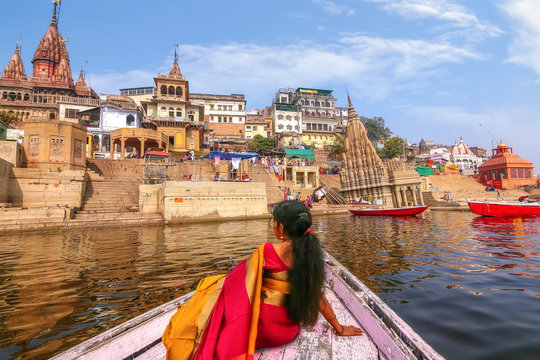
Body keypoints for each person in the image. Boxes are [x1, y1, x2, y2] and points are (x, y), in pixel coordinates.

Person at [162, 201, 362, 359]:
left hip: (259, 331)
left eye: (274, 223)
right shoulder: (312, 255)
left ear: (280, 228)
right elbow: (318, 296)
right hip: (286, 331)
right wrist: (339, 328)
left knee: (216, 285)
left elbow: (238, 281)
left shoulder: (267, 251)